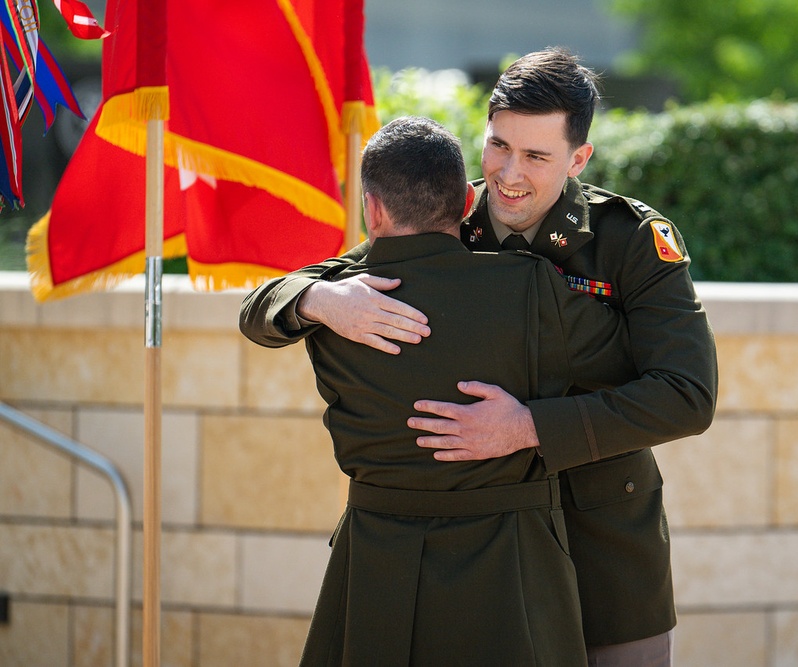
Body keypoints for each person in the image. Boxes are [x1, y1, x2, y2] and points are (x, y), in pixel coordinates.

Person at [304, 49, 719, 665]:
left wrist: (529, 427)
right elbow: (301, 285)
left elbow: (686, 394)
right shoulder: (449, 215)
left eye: (536, 156)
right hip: (491, 563)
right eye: (498, 146)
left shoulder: (629, 239)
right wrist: (317, 299)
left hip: (601, 543)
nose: (508, 174)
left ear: (579, 159)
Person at [240, 116, 640, 666]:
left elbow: (256, 310)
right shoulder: (528, 287)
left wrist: (316, 301)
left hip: (377, 568)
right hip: (511, 571)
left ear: (373, 210)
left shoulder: (339, 297)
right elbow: (635, 365)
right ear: (464, 206)